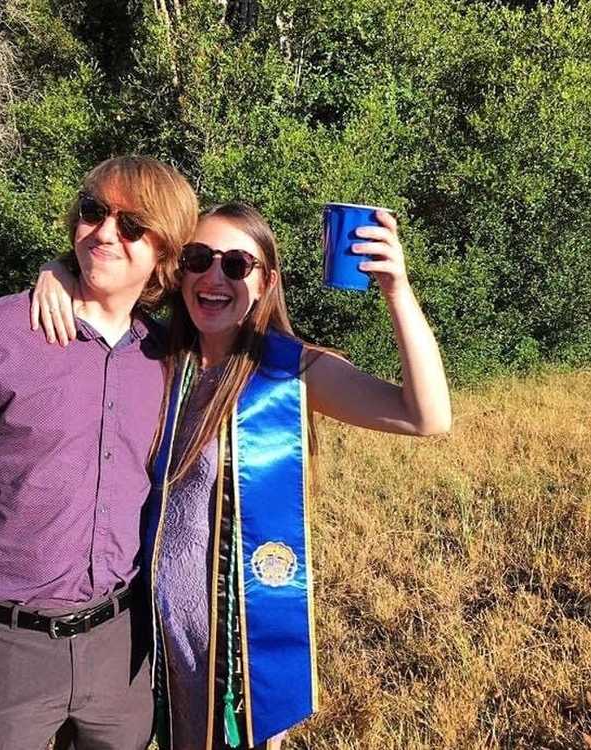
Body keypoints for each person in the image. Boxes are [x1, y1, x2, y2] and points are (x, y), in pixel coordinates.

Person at [32, 201, 451, 749]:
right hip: (148, 631)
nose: (214, 276)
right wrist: (57, 272)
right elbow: (104, 280)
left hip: (233, 638)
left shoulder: (287, 371)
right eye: (200, 258)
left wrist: (397, 291)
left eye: (236, 264)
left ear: (266, 281)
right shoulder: (153, 355)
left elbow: (426, 416)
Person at [0, 156, 199, 750]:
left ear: (164, 253)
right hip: (7, 651)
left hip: (122, 648)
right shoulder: (2, 332)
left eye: (131, 226)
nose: (104, 233)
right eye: (94, 212)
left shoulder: (169, 353)